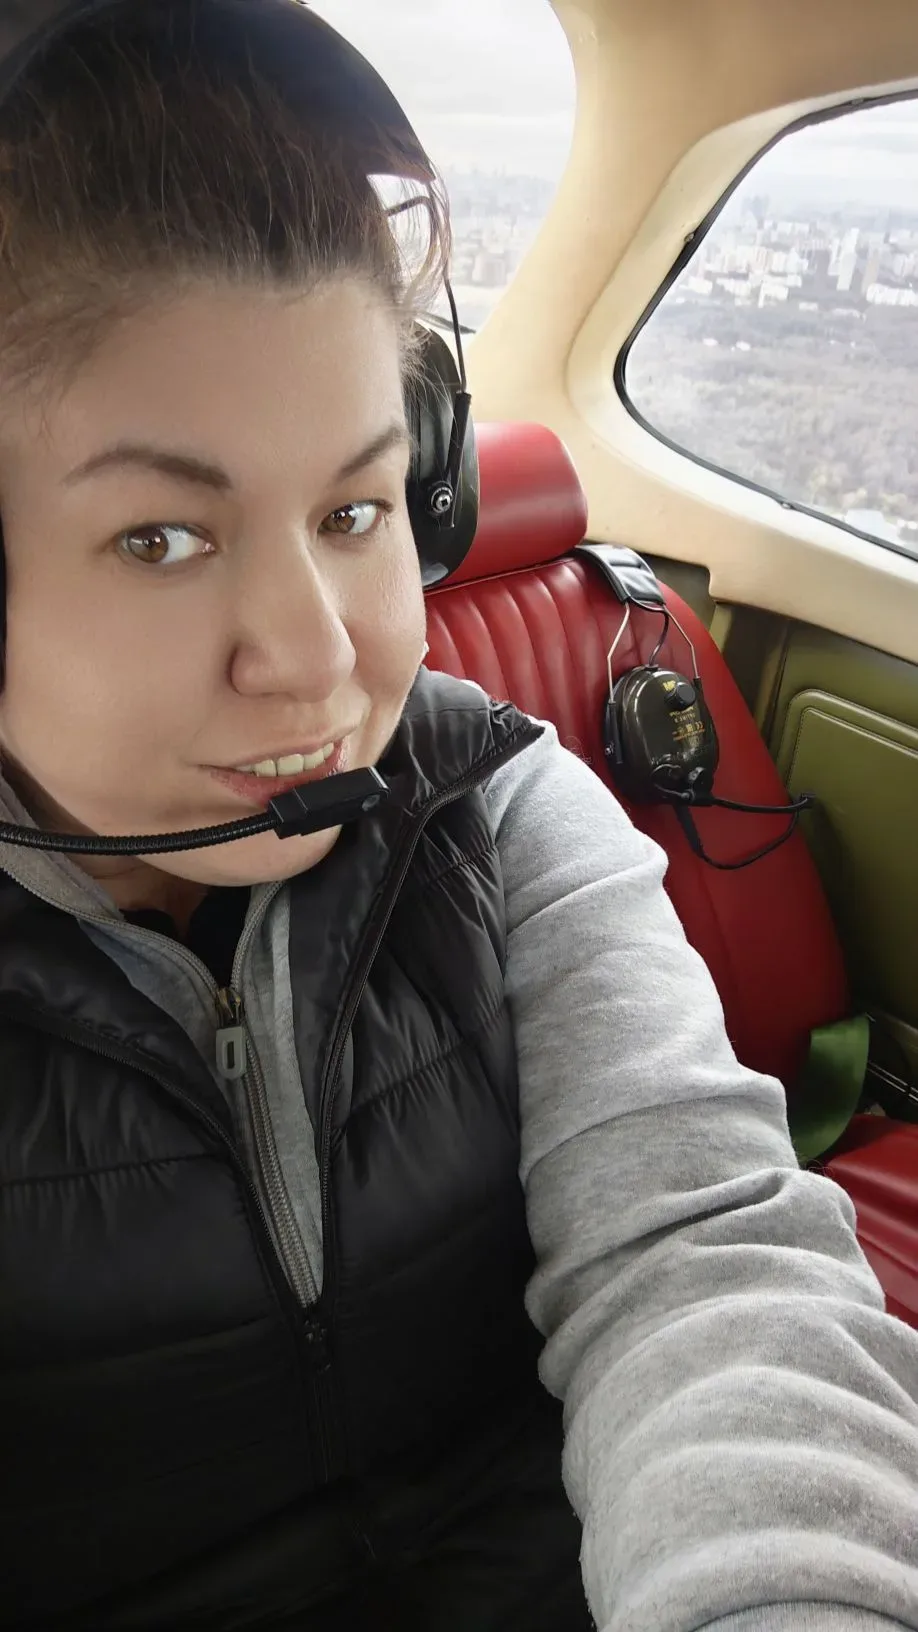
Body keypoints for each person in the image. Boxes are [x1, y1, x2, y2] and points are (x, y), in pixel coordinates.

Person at [0, 2, 916, 1629]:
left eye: (354, 511)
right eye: (162, 539)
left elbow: (696, 1263)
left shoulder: (493, 806)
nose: (317, 660)